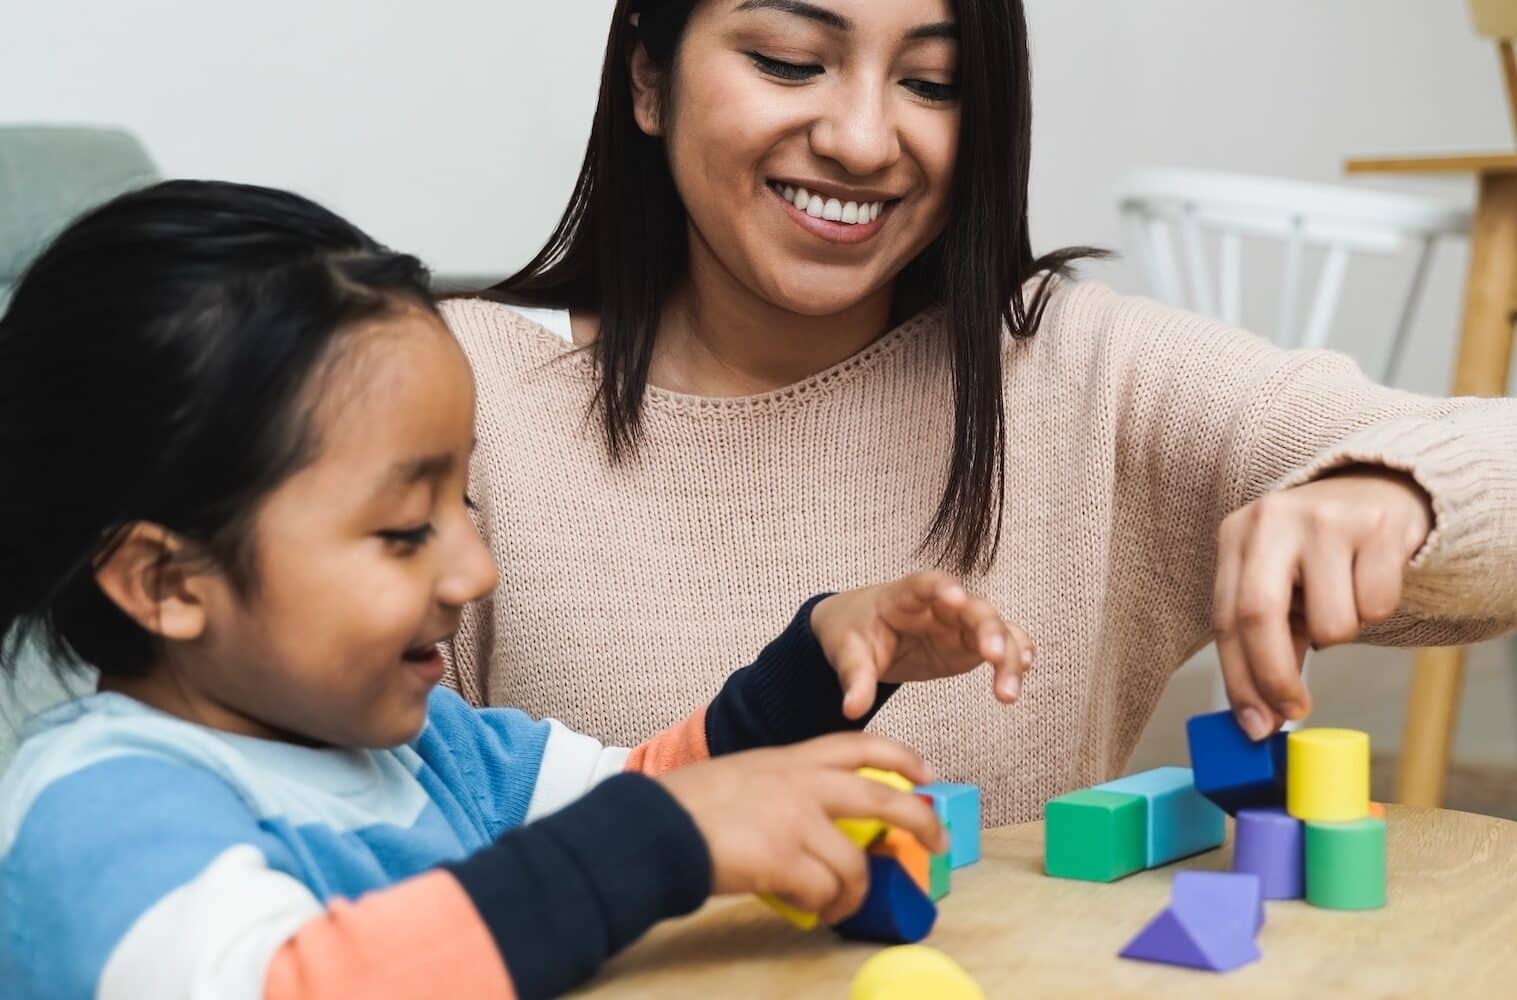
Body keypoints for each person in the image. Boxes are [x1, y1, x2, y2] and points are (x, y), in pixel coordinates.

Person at [441, 0, 1517, 824]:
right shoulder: (465, 396)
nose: (859, 138)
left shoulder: (1070, 370)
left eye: (933, 82)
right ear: (647, 76)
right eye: (790, 60)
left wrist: (1387, 493)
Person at [0, 180, 1036, 998]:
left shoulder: (432, 748)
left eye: (467, 506)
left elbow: (650, 790)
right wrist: (654, 841)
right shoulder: (95, 808)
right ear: (166, 580)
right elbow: (293, 981)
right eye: (406, 530)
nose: (472, 572)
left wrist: (814, 662)